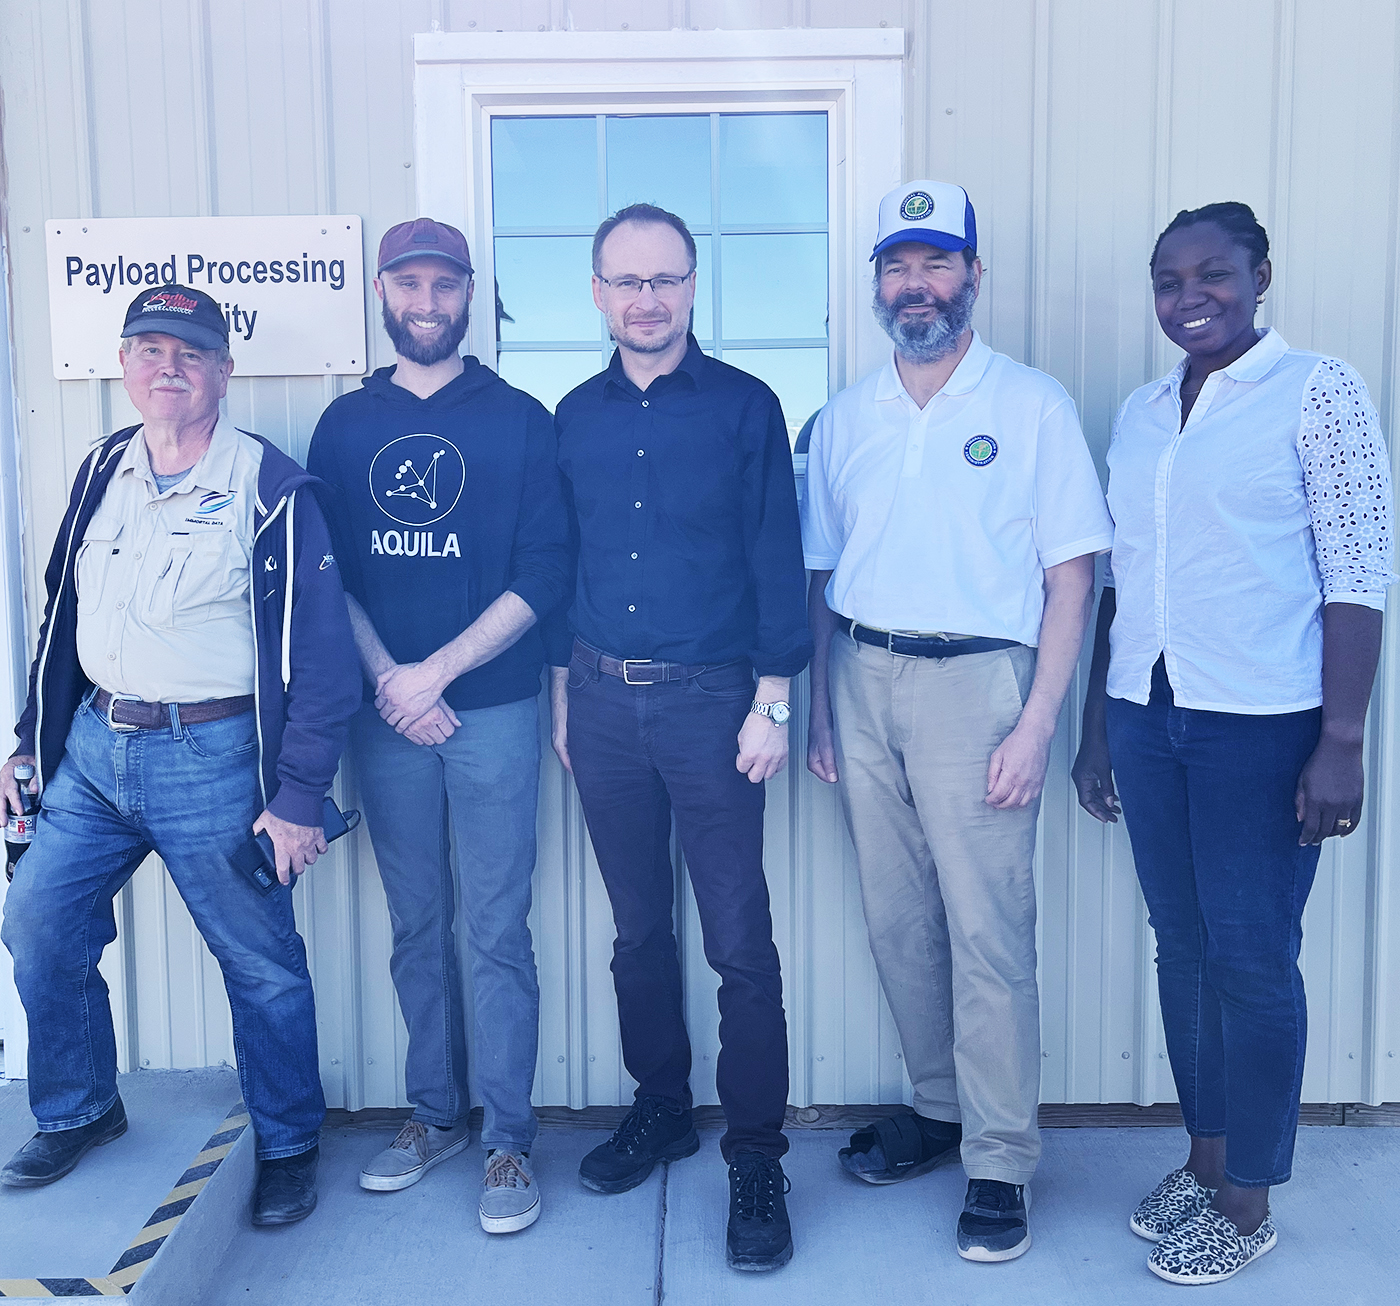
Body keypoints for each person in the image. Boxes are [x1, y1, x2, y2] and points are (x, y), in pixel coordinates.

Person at [1071, 202, 1393, 1286]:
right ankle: (1203, 1158)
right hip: (1145, 713)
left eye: (1212, 273)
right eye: (1167, 280)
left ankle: (1248, 1196)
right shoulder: (1141, 412)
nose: (1188, 296)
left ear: (1260, 276)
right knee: (1182, 943)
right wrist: (1097, 729)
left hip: (1263, 723)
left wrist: (1340, 739)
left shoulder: (1316, 391)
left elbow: (1357, 572)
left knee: (1251, 956)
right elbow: (1120, 580)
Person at [0, 284, 361, 1226]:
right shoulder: (100, 470)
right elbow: (60, 621)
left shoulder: (269, 486)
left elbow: (323, 658)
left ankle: (288, 1144)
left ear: (224, 372)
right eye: (151, 350)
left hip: (214, 756)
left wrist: (298, 796)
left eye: (191, 353)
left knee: (260, 962)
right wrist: (30, 746)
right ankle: (80, 1108)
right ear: (124, 364)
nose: (170, 367)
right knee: (38, 920)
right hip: (93, 751)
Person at [802, 181, 1114, 1263]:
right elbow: (821, 573)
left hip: (981, 686)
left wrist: (1037, 723)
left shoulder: (1031, 405)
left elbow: (1071, 578)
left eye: (936, 263)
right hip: (860, 675)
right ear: (877, 283)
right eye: (897, 265)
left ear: (973, 276)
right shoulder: (846, 416)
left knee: (987, 931)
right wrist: (818, 706)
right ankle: (939, 1110)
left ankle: (1001, 1160)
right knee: (899, 922)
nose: (916, 285)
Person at [546, 203, 811, 1273]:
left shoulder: (745, 407)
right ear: (597, 294)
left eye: (664, 279)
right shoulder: (573, 416)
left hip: (714, 705)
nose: (646, 299)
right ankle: (661, 1106)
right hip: (602, 703)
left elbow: (776, 556)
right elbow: (563, 563)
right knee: (636, 931)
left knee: (738, 940)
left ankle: (755, 1156)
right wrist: (564, 700)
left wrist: (773, 700)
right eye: (627, 281)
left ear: (693, 287)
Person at [307, 219, 570, 1234]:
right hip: (388, 719)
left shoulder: (519, 419)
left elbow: (544, 572)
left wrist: (436, 674)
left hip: (490, 709)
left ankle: (507, 1139)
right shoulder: (344, 424)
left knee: (496, 928)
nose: (426, 302)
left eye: (444, 285)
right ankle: (434, 1116)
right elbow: (331, 573)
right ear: (383, 292)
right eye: (408, 283)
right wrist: (391, 681)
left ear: (469, 296)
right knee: (416, 923)